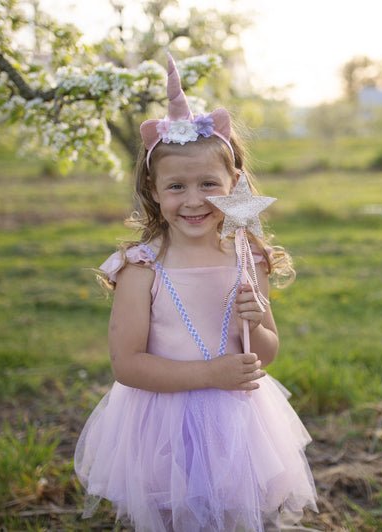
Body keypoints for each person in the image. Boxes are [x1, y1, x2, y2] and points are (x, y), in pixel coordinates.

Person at [74, 52, 318, 532]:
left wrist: (257, 315)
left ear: (235, 183)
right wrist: (210, 373)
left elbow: (264, 353)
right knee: (171, 514)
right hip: (162, 420)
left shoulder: (248, 257)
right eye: (176, 186)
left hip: (238, 420)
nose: (193, 200)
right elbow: (127, 365)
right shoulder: (140, 268)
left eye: (209, 183)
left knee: (232, 515)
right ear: (154, 189)